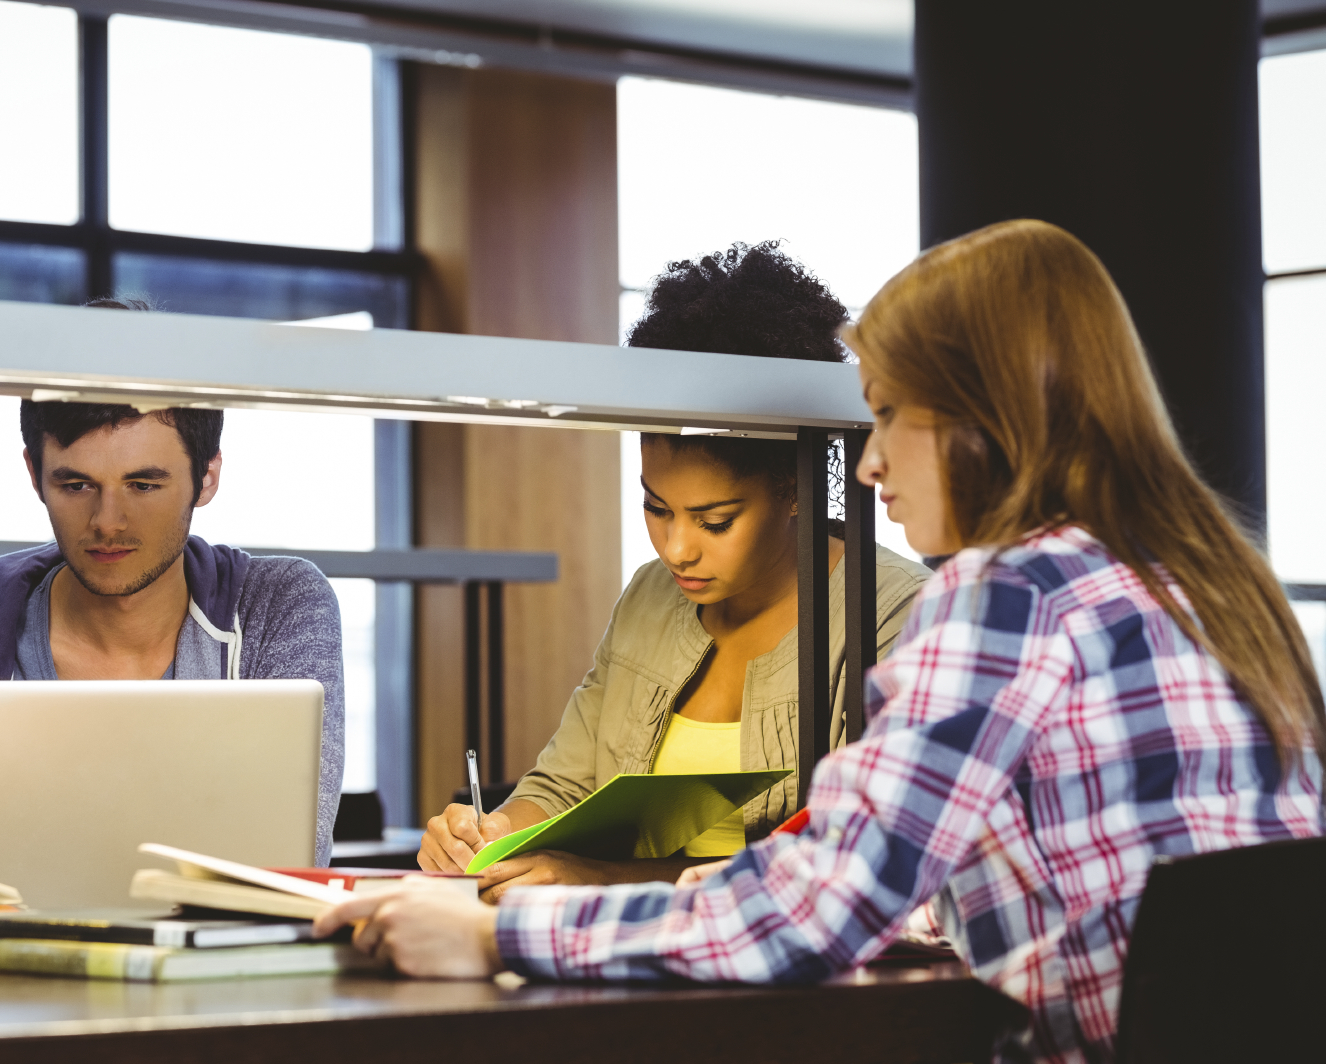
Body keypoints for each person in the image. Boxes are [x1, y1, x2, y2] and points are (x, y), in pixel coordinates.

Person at [319, 220, 1324, 1064]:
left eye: (886, 415)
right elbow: (1040, 876)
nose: (871, 461)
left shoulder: (1006, 592)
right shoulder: (1211, 583)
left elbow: (817, 909)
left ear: (982, 417)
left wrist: (497, 932)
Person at [418, 243, 931, 897]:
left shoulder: (894, 613)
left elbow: (845, 863)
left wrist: (608, 880)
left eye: (715, 520)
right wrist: (489, 834)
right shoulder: (650, 598)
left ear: (795, 486)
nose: (677, 548)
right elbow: (564, 788)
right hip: (608, 957)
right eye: (655, 507)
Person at [0, 300, 345, 867]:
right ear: (34, 476)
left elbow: (290, 855)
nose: (108, 522)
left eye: (143, 485)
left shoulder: (276, 607)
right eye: (76, 485)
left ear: (207, 477)